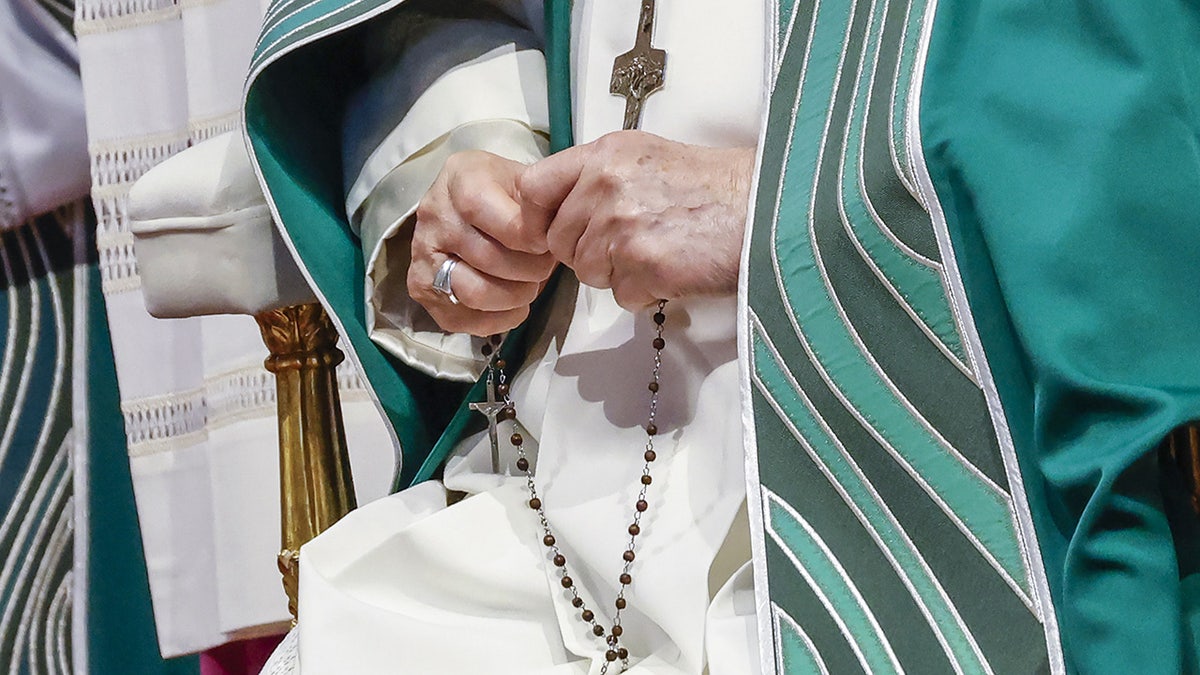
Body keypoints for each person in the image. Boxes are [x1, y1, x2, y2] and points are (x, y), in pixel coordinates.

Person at [246, 0, 1200, 673]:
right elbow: (455, 18)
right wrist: (471, 163)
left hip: (876, 498)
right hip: (560, 480)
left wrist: (771, 206)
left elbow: (1119, 126)